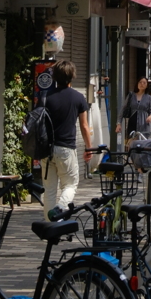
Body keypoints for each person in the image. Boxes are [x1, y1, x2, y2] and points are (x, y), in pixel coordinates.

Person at [42, 60, 93, 219]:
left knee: (49, 190)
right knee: (70, 185)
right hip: (66, 149)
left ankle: (50, 228)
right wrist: (88, 148)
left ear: (55, 77)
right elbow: (84, 126)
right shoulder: (78, 97)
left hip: (46, 149)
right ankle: (60, 208)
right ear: (72, 76)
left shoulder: (46, 97)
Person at [116, 76, 151, 141]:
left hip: (144, 124)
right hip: (132, 122)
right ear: (137, 84)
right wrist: (118, 123)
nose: (142, 84)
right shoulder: (131, 95)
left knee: (143, 145)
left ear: (147, 85)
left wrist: (150, 116)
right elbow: (123, 109)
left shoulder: (149, 97)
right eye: (140, 82)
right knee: (131, 144)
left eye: (144, 83)